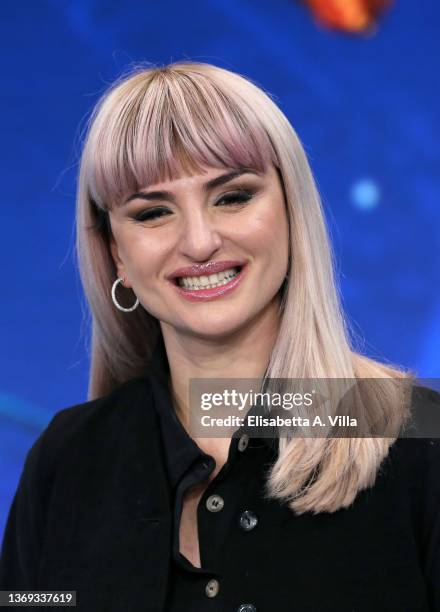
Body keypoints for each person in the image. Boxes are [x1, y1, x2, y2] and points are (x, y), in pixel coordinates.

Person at [0, 61, 439, 612]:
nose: (200, 241)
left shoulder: (419, 433)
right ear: (117, 255)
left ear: (290, 212)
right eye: (154, 212)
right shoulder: (65, 460)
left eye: (232, 197)